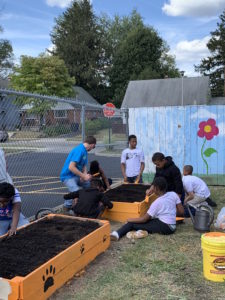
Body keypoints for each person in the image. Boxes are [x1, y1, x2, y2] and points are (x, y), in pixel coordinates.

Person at [110, 177, 184, 241]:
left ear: (156, 188)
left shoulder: (157, 202)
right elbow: (181, 212)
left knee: (132, 224)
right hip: (171, 225)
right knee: (149, 223)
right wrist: (170, 214)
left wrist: (129, 219)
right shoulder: (173, 194)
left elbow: (144, 219)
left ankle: (116, 234)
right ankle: (141, 231)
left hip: (166, 227)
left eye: (153, 186)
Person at [60, 136, 96, 211]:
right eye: (93, 147)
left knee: (88, 184)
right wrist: (83, 175)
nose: (92, 149)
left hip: (75, 175)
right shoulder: (79, 150)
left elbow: (84, 165)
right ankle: (67, 207)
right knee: (76, 191)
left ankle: (88, 202)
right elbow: (71, 167)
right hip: (67, 176)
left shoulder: (85, 151)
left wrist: (84, 176)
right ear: (92, 145)